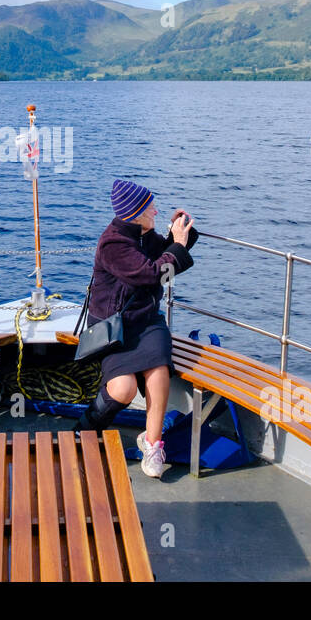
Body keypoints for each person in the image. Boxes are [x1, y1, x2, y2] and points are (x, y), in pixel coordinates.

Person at [78, 179, 198, 478]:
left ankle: (153, 444)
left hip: (146, 322)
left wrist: (180, 233)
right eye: (150, 208)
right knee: (124, 389)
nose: (156, 211)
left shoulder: (143, 234)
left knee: (158, 372)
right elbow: (150, 274)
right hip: (114, 326)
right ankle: (87, 427)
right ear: (134, 213)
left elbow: (167, 253)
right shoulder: (113, 243)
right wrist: (178, 245)